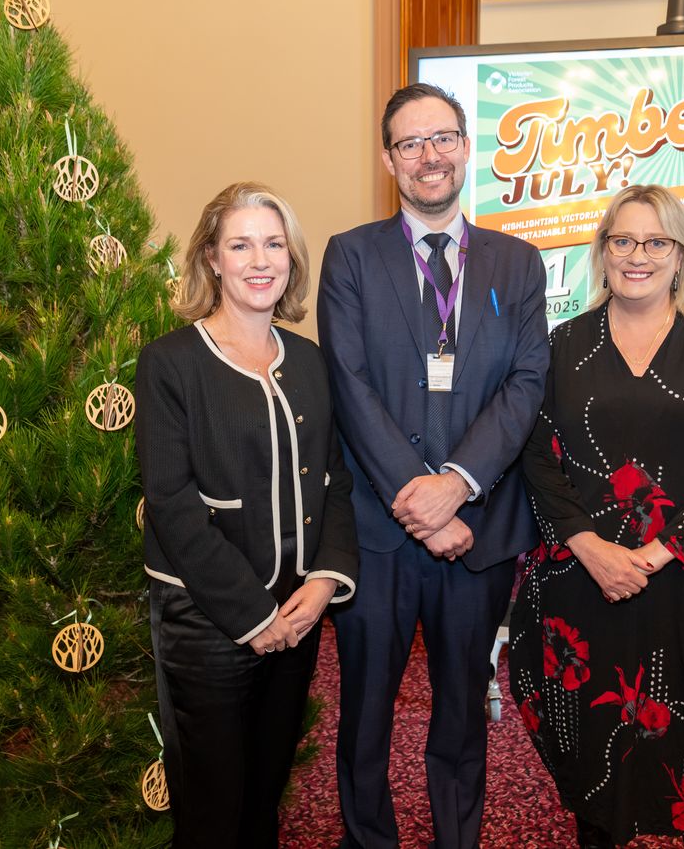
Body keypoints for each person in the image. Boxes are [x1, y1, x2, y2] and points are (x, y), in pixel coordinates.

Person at [317, 83, 549, 848]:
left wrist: (456, 489)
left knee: (461, 706)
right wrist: (415, 500)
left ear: (466, 147)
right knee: (367, 710)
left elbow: (526, 385)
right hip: (379, 536)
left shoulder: (518, 265)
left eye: (442, 137)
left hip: (478, 530)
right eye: (411, 143)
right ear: (388, 160)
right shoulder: (350, 255)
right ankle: (367, 838)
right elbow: (348, 383)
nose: (429, 155)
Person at [509, 184, 684, 848]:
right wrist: (591, 548)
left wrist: (660, 553)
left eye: (656, 241)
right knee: (598, 748)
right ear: (601, 252)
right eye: (622, 240)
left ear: (680, 255)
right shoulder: (562, 344)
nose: (637, 255)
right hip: (584, 584)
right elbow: (538, 456)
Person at [134, 182, 359, 849]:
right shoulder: (171, 363)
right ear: (211, 258)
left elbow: (335, 482)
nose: (260, 259)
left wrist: (323, 583)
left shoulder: (312, 363)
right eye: (240, 244)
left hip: (297, 615)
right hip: (208, 622)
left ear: (290, 257)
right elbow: (171, 504)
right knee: (212, 813)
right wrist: (252, 616)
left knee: (265, 799)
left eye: (273, 243)